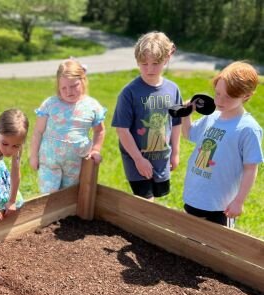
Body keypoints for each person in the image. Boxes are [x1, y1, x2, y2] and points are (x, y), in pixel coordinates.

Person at [181, 61, 263, 227]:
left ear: (246, 96)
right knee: (189, 241)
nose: (220, 100)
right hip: (194, 195)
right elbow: (189, 133)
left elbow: (250, 169)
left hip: (220, 205)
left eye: (228, 96)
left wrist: (239, 201)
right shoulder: (212, 116)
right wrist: (186, 114)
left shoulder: (248, 129)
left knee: (216, 248)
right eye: (217, 93)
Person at [111, 31, 182, 201]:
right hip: (136, 160)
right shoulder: (129, 92)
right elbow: (122, 130)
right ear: (137, 61)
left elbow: (176, 123)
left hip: (162, 159)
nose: (150, 69)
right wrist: (138, 159)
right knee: (146, 203)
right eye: (144, 64)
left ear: (167, 59)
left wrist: (175, 153)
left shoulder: (173, 89)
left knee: (155, 201)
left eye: (156, 63)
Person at [29, 58, 106, 193]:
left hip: (75, 164)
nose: (68, 91)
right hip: (49, 162)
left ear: (83, 81)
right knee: (49, 197)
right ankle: (50, 214)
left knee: (70, 196)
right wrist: (34, 156)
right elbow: (38, 132)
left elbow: (99, 131)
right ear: (58, 87)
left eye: (73, 86)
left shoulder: (92, 106)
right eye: (63, 87)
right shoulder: (50, 104)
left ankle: (67, 215)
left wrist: (95, 150)